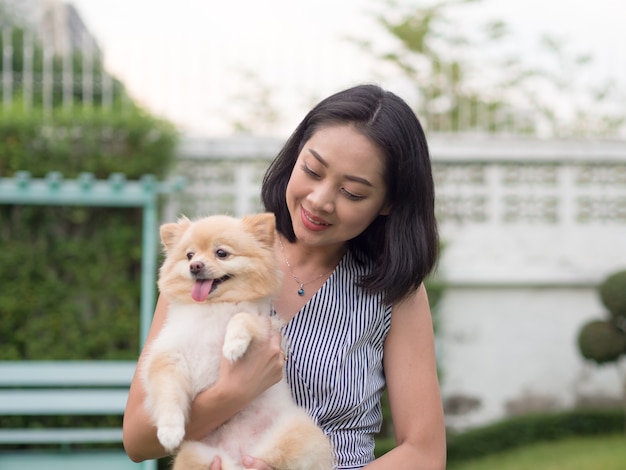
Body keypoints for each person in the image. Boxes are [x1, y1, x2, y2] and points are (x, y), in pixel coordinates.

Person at [123, 84, 446, 469]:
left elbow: (425, 453)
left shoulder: (394, 291)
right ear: (294, 157)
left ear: (388, 203)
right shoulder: (210, 266)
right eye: (312, 170)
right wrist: (232, 393)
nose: (319, 200)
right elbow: (139, 439)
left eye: (352, 192)